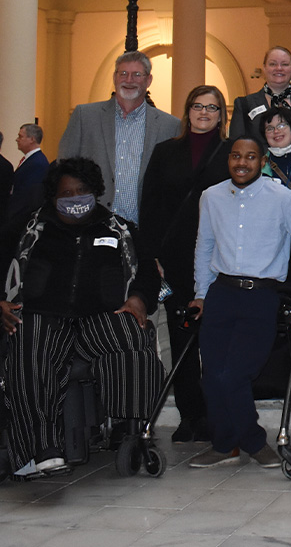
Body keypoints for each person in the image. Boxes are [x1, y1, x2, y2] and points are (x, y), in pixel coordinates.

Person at [1, 156, 163, 478]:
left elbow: (147, 271)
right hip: (42, 317)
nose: (75, 198)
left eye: (82, 190)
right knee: (29, 344)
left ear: (96, 191)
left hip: (97, 319)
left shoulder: (119, 229)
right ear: (53, 197)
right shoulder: (29, 227)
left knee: (133, 333)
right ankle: (41, 448)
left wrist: (139, 298)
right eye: (67, 193)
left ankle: (128, 427)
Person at [187, 134, 291, 469]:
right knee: (212, 376)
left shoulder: (284, 199)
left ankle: (254, 442)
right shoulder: (211, 197)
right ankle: (225, 445)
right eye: (235, 156)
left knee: (235, 374)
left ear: (263, 161)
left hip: (261, 296)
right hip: (220, 294)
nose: (241, 163)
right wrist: (201, 293)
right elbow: (203, 247)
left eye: (249, 156)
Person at [140, 86, 232, 444]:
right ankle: (189, 416)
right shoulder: (165, 152)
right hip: (175, 259)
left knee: (215, 342)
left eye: (212, 107)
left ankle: (215, 414)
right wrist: (153, 257)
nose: (204, 113)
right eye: (198, 106)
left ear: (221, 114)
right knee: (181, 340)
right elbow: (150, 206)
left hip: (220, 259)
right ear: (187, 110)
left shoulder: (230, 152)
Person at [57, 51, 180, 225]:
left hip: (143, 228)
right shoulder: (84, 116)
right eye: (123, 73)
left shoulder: (170, 126)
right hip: (90, 223)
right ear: (115, 78)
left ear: (148, 80)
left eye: (137, 75)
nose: (129, 80)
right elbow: (63, 168)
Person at [229, 46, 291, 150]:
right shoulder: (245, 104)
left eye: (285, 64)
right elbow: (236, 145)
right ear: (264, 67)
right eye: (273, 64)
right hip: (261, 165)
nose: (279, 68)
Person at [9, 122, 49, 223]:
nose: (17, 139)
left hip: (21, 218)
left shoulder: (37, 163)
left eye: (20, 136)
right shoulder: (32, 160)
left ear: (32, 139)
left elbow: (28, 195)